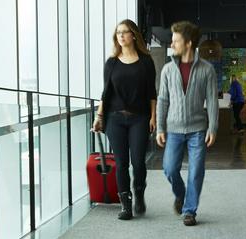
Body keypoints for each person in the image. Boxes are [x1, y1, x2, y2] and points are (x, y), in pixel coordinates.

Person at [92, 19, 157, 220]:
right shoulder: (111, 63)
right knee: (121, 163)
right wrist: (99, 116)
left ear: (133, 35)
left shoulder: (146, 61)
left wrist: (153, 117)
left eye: (125, 32)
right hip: (115, 119)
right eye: (118, 32)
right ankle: (125, 205)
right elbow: (106, 93)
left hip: (139, 118)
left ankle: (139, 192)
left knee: (138, 162)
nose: (120, 35)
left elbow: (151, 93)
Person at [156, 20, 218, 226]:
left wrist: (213, 127)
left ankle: (189, 210)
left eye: (176, 41)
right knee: (169, 168)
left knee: (196, 171)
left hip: (197, 129)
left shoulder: (207, 69)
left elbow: (212, 101)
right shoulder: (167, 70)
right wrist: (160, 127)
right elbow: (163, 100)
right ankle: (181, 194)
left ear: (188, 43)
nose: (172, 44)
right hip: (173, 129)